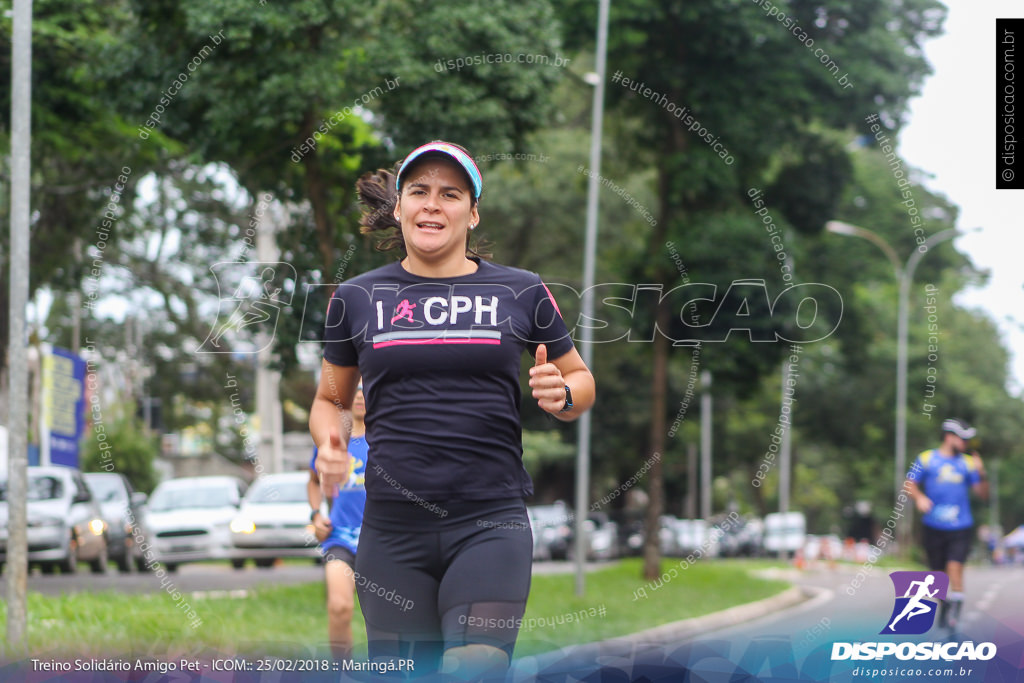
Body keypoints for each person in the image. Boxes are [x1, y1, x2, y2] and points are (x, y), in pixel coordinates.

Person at [309, 141, 595, 680]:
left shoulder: (522, 291)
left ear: (472, 212)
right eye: (418, 191)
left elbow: (580, 379)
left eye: (450, 194)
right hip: (391, 533)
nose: (432, 204)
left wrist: (564, 395)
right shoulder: (355, 298)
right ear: (398, 208)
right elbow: (330, 400)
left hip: (489, 522)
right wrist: (332, 441)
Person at [905, 417, 989, 631]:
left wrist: (981, 472)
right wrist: (920, 498)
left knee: (955, 566)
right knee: (937, 576)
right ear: (949, 437)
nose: (966, 443)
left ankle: (954, 616)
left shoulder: (968, 463)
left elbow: (982, 494)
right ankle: (946, 604)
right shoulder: (926, 459)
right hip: (933, 526)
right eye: (963, 439)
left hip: (961, 526)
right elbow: (909, 484)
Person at [307, 383, 368, 660]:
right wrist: (316, 514)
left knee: (391, 615)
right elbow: (313, 480)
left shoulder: (388, 440)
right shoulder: (332, 441)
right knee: (340, 607)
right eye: (354, 389)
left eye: (365, 390)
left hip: (381, 537)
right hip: (340, 537)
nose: (359, 395)